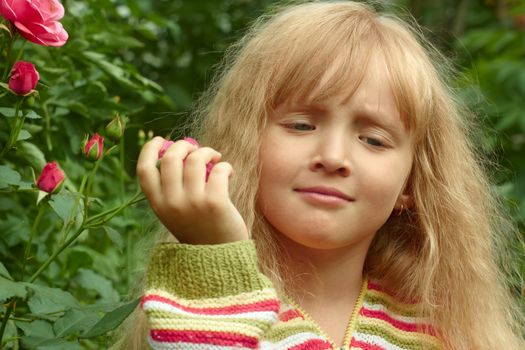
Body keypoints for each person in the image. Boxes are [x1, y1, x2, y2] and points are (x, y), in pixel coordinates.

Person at [118, 1, 525, 349]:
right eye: (301, 126)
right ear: (245, 143)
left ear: (411, 184)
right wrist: (212, 262)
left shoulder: (444, 332)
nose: (333, 157)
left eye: (373, 140)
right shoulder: (193, 304)